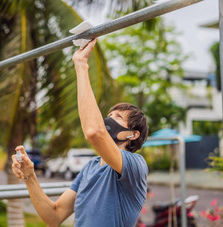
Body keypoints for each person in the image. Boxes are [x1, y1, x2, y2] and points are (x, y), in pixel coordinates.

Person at [11, 38, 149, 227]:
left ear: (133, 135)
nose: (107, 120)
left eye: (117, 117)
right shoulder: (90, 167)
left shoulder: (135, 165)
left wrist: (81, 64)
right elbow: (54, 216)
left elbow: (94, 131)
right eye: (108, 114)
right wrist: (30, 176)